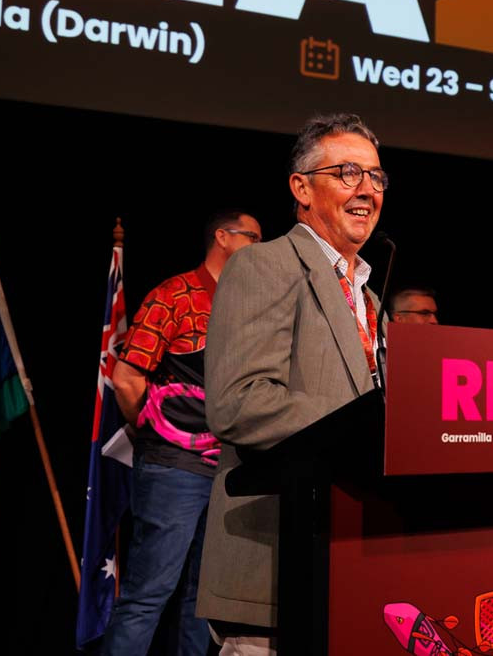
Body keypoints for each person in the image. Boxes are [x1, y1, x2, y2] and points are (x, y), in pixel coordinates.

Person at [198, 113, 387, 655]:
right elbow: (239, 404)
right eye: (348, 173)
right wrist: (371, 421)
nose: (367, 190)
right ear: (301, 188)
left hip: (349, 571)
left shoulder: (371, 298)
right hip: (274, 569)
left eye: (376, 177)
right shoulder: (264, 265)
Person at [102, 210, 262, 656]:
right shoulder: (176, 295)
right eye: (253, 237)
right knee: (149, 593)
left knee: (203, 602)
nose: (260, 247)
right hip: (175, 467)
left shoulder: (250, 303)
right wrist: (160, 431)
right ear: (223, 237)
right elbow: (128, 378)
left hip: (230, 470)